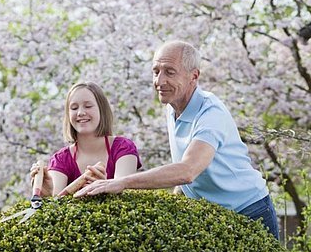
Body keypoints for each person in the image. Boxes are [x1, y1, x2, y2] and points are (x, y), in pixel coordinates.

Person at [74, 40, 280, 240]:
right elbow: (182, 170)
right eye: (156, 71)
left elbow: (187, 170)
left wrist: (121, 183)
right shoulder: (172, 106)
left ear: (194, 76)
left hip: (250, 210)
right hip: (214, 215)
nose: (160, 81)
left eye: (170, 72)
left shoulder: (211, 115)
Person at [30, 82, 142, 195]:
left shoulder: (123, 148)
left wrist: (104, 188)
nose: (81, 113)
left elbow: (124, 195)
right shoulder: (61, 159)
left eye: (88, 106)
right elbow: (55, 203)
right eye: (74, 108)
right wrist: (47, 194)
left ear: (101, 110)